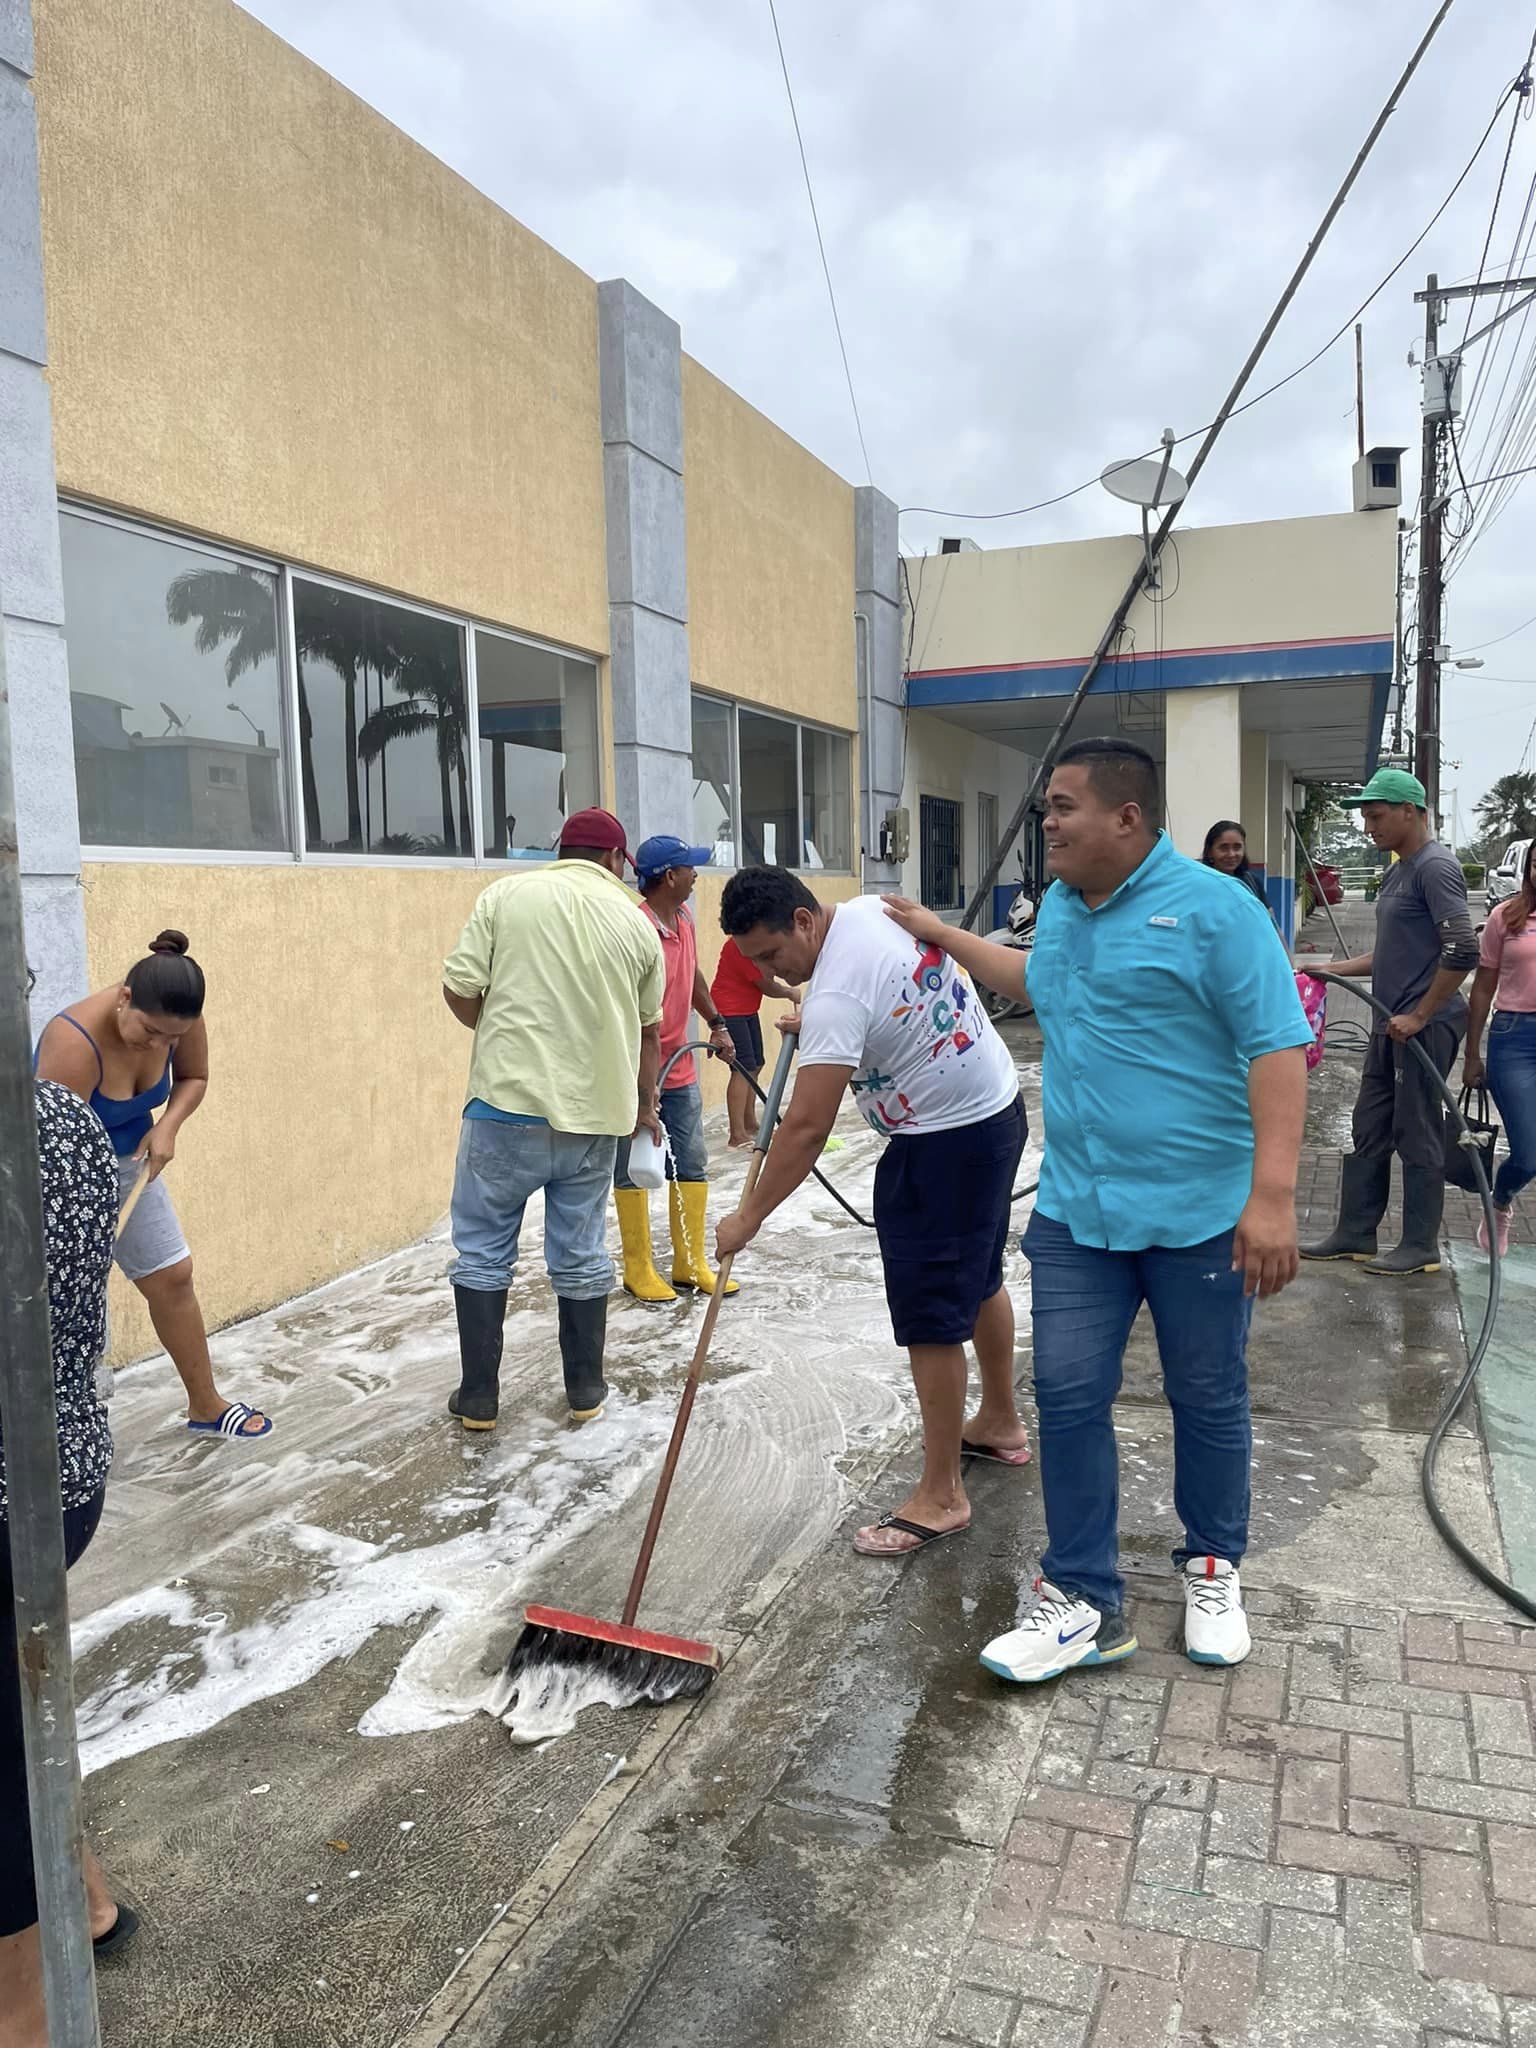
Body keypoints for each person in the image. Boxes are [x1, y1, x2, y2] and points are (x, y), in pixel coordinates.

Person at [888, 738, 1312, 1681]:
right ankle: (1082, 1597)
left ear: (1127, 817)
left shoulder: (1218, 910)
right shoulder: (1066, 912)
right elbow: (1033, 979)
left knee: (1206, 1394)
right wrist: (937, 931)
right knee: (1069, 1396)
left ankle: (1213, 1566)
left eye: (1062, 806)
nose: (1047, 823)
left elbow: (1279, 1046)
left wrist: (1273, 1198)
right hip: (1081, 1213)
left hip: (1202, 1213)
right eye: (1047, 807)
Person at [715, 867, 1031, 1557]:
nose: (772, 973)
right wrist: (824, 1019)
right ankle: (1000, 1421)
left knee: (931, 1318)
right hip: (995, 1112)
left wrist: (748, 1218)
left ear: (804, 921)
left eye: (772, 955)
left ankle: (942, 1496)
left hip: (941, 1145)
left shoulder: (835, 993)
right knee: (978, 1279)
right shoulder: (865, 912)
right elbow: (881, 995)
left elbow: (805, 1128)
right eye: (756, 963)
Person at [441, 807, 665, 1428]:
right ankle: (586, 1391)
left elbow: (459, 987)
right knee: (581, 1250)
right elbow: (649, 1031)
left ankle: (479, 1399)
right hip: (594, 1118)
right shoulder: (637, 921)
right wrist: (646, 1105)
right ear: (616, 860)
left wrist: (496, 1034)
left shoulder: (506, 896)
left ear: (559, 850)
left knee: (482, 1249)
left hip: (504, 1106)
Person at [2, 1083, 138, 2048]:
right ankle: (85, 1899)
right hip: (63, 1477)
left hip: (16, 1494)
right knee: (18, 1716)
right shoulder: (63, 1115)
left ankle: (25, 2015)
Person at [33, 932, 272, 1440]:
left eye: (171, 1039)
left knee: (173, 1277)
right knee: (66, 1304)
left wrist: (167, 1126)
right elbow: (58, 1149)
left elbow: (194, 1078)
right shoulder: (72, 1042)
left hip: (132, 1165)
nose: (160, 1046)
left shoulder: (176, 1017)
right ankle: (46, 1430)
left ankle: (206, 1405)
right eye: (150, 1033)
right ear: (124, 998)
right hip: (66, 1178)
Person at [1301, 767, 1480, 1277]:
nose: (1368, 828)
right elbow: (1390, 953)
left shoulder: (1435, 867)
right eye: (1366, 818)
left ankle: (1420, 1245)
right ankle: (1355, 1233)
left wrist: (1421, 1014)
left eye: (1376, 816)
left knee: (1416, 1128)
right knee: (1370, 1123)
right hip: (1390, 1022)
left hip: (1423, 1025)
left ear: (1410, 811)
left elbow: (1462, 949)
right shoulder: (1400, 870)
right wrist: (1331, 970)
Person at [613, 835, 738, 1303]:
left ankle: (689, 1263)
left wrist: (717, 1022)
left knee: (692, 1161)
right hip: (636, 1070)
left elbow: (693, 976)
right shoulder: (637, 927)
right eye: (689, 868)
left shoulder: (683, 918)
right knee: (636, 1166)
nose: (696, 875)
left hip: (679, 1066)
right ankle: (639, 1268)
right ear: (669, 876)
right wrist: (643, 1094)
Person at [1464, 836, 1536, 1257]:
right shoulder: (1505, 917)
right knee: (1527, 1155)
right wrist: (1472, 1054)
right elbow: (1482, 987)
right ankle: (1501, 1201)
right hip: (1515, 1040)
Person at [709, 934, 800, 1148]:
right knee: (742, 1069)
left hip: (747, 1009)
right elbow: (765, 985)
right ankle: (737, 1135)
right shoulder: (740, 946)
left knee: (756, 1064)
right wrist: (789, 992)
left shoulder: (755, 942)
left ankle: (750, 1124)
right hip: (730, 1010)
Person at [1201, 820, 1269, 907]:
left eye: (1237, 847)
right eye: (1224, 848)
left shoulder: (1252, 882)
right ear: (1210, 852)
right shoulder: (1201, 885)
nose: (1231, 854)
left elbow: (1267, 914)